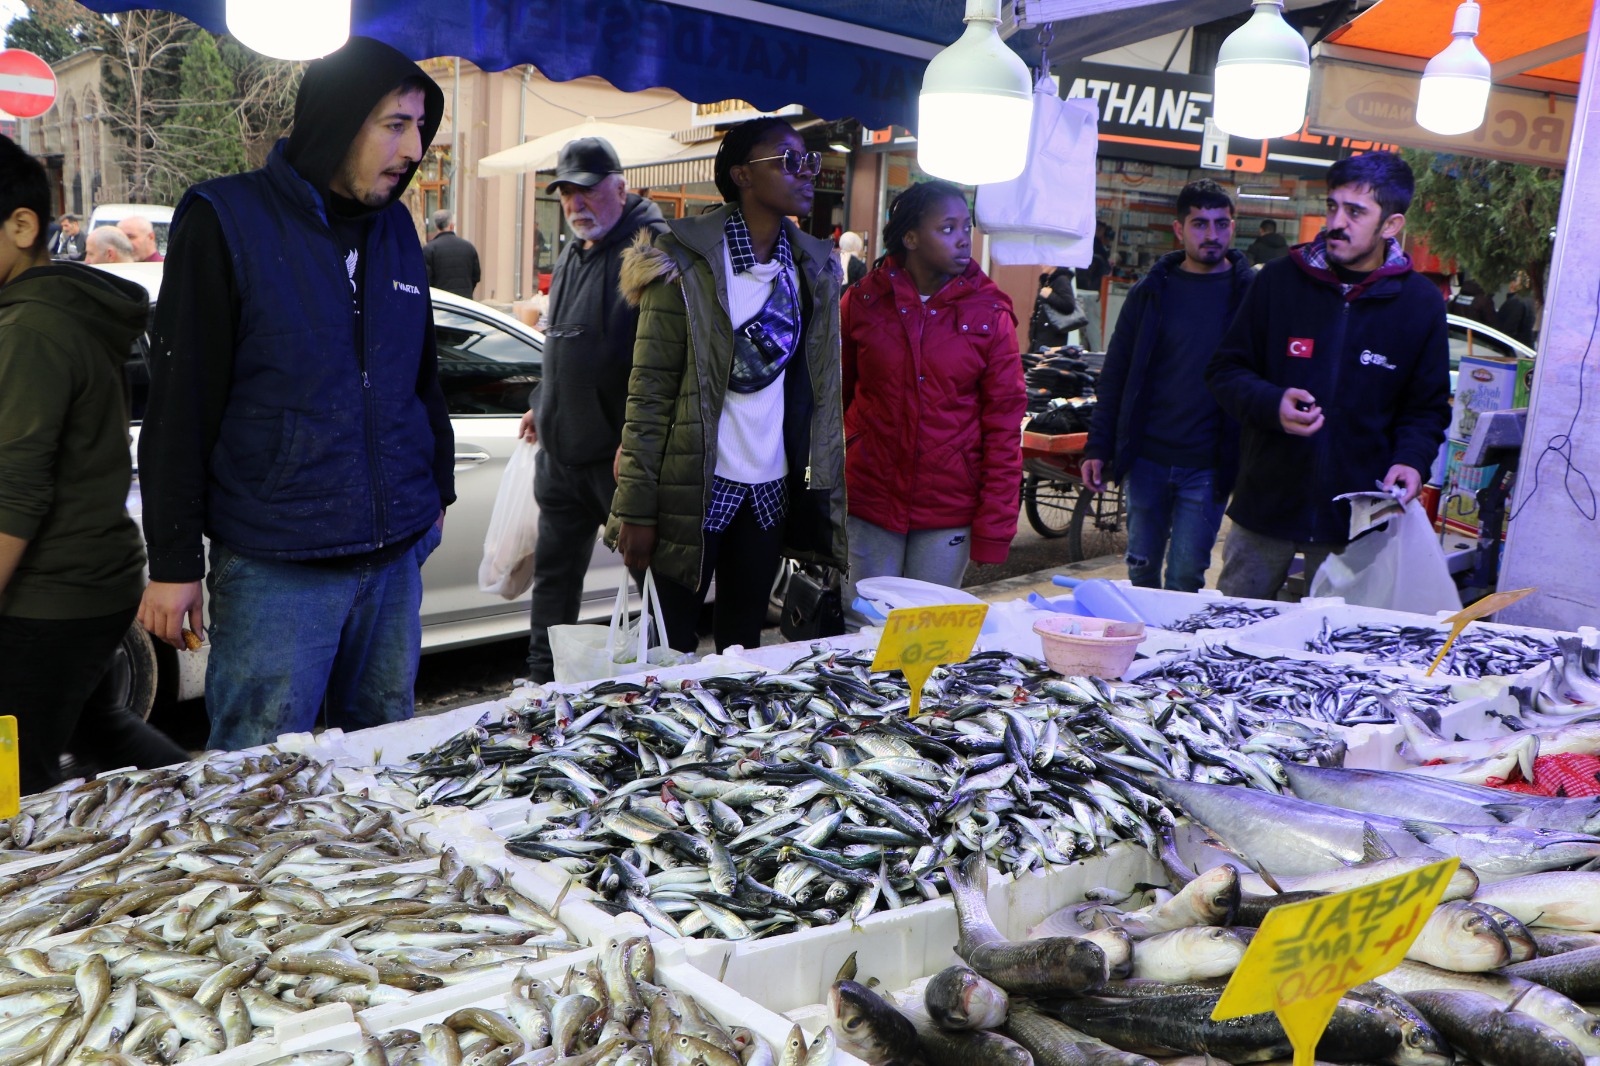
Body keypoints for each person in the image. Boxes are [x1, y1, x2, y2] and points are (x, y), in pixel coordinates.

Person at [135, 37, 454, 750]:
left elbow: (420, 377)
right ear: (338, 120)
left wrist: (436, 493)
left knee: (383, 767)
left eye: (421, 127)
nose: (414, 148)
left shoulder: (397, 227)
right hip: (279, 563)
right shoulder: (225, 218)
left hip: (394, 558)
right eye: (395, 125)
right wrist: (175, 562)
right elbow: (180, 401)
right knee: (258, 777)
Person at [609, 117, 848, 654]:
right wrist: (637, 510)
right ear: (742, 174)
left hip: (771, 488)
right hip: (693, 486)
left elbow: (819, 400)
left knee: (744, 645)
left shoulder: (812, 271)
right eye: (787, 160)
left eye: (808, 160)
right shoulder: (682, 264)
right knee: (669, 649)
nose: (808, 172)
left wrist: (819, 492)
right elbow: (648, 394)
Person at [0, 135, 188, 795]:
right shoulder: (58, 312)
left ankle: (24, 882)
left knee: (14, 774)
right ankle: (204, 805)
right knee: (96, 725)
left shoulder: (31, 329)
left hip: (47, 596)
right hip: (91, 581)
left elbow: (17, 490)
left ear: (22, 225)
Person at [1207, 151, 1451, 600]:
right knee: (1229, 631)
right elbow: (1225, 370)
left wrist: (1412, 460)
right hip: (1266, 506)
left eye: (1355, 211)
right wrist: (1269, 403)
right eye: (1332, 206)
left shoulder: (1420, 304)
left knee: (1337, 649)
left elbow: (1427, 407)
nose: (1337, 221)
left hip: (1356, 520)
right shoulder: (1278, 281)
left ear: (1391, 224)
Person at [515, 136, 666, 683]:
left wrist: (640, 440)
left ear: (619, 188)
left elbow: (668, 359)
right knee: (553, 577)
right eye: (565, 193)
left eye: (587, 190)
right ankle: (539, 681)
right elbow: (561, 340)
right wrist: (541, 402)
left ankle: (655, 683)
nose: (576, 204)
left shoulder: (651, 247)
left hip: (617, 456)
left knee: (651, 576)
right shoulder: (577, 247)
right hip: (561, 453)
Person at [839, 181, 1024, 622]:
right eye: (947, 227)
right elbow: (835, 401)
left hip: (947, 509)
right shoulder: (862, 302)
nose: (964, 237)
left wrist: (994, 527)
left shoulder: (991, 314)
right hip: (869, 501)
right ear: (911, 237)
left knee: (926, 634)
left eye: (966, 226)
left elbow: (1004, 426)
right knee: (863, 629)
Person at [1081, 179, 1255, 592]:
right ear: (1179, 229)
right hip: (1147, 460)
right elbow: (1118, 375)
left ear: (1233, 226)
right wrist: (1098, 446)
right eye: (1199, 224)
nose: (1211, 235)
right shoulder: (1151, 292)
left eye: (1221, 223)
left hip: (1209, 465)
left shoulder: (1252, 295)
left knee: (1185, 578)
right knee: (1140, 573)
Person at [421, 207, 479, 298]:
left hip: (441, 303)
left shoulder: (429, 249)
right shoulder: (468, 247)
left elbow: (425, 280)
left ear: (436, 226)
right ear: (451, 225)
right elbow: (476, 277)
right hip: (465, 303)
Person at [1074, 222, 1113, 350]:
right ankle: (1095, 358)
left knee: (1076, 330)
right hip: (1091, 293)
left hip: (1077, 290)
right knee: (1094, 331)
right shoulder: (1099, 249)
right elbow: (1107, 271)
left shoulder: (1080, 243)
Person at [1029, 265, 1086, 350]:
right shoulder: (1047, 281)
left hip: (1052, 338)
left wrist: (1050, 296)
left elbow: (1069, 305)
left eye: (1045, 261)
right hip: (1039, 338)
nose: (1042, 264)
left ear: (1054, 264)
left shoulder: (1061, 280)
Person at [1499, 271, 1536, 348]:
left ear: (1513, 284)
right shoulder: (1530, 301)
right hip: (1526, 348)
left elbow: (1508, 331)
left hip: (1516, 350)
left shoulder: (1516, 302)